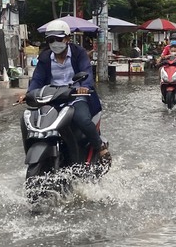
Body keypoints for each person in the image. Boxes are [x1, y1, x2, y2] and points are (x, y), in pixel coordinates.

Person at [18, 19, 110, 163]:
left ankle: (100, 147)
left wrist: (83, 87)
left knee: (82, 119)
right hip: (52, 98)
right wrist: (29, 93)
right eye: (51, 39)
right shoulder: (45, 57)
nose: (55, 43)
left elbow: (87, 72)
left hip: (75, 96)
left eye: (59, 39)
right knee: (31, 119)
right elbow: (37, 78)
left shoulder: (79, 53)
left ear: (67, 38)